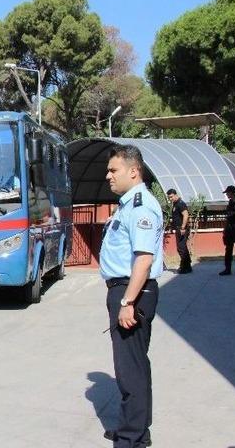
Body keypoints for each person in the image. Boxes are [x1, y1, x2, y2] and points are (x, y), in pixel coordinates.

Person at [99, 145, 162, 448]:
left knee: (129, 369)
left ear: (133, 171)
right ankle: (134, 427)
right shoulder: (128, 205)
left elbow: (144, 259)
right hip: (126, 290)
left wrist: (127, 302)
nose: (108, 175)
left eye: (114, 170)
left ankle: (131, 438)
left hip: (131, 291)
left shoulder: (139, 206)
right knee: (135, 364)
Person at [166, 189, 192, 274]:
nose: (170, 199)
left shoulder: (181, 203)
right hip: (178, 228)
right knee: (183, 248)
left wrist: (183, 228)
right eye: (169, 197)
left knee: (181, 248)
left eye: (171, 197)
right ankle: (187, 266)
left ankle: (184, 267)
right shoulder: (175, 204)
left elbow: (186, 214)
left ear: (175, 195)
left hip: (182, 229)